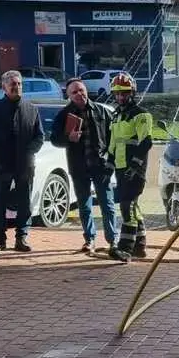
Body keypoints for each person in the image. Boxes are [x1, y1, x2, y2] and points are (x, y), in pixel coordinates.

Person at [0, 70, 45, 252]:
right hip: (1, 164)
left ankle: (21, 237)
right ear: (4, 87)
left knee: (24, 201)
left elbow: (39, 136)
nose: (17, 87)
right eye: (13, 84)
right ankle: (0, 239)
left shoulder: (31, 109)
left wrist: (29, 151)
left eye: (19, 84)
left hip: (24, 165)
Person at [51, 79, 119, 253]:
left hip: (101, 166)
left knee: (107, 204)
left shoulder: (101, 111)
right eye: (74, 92)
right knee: (84, 205)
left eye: (81, 90)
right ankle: (89, 239)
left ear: (86, 90)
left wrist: (111, 161)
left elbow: (114, 139)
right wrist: (69, 139)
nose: (79, 94)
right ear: (69, 96)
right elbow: (54, 139)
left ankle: (113, 240)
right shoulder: (64, 115)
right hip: (79, 167)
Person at [107, 73, 153, 262]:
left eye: (124, 93)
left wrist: (134, 166)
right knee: (132, 205)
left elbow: (146, 143)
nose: (120, 97)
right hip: (120, 167)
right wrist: (108, 164)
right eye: (117, 94)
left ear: (132, 93)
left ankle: (125, 248)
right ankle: (140, 246)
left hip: (134, 169)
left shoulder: (141, 115)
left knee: (127, 207)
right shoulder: (117, 116)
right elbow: (113, 143)